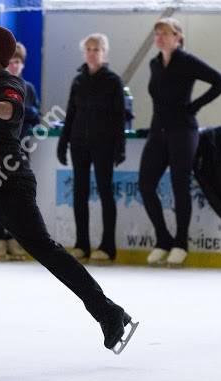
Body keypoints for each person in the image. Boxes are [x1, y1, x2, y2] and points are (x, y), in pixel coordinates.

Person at [0, 26, 137, 358]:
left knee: (47, 251)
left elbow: (11, 109)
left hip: (9, 183)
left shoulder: (7, 85)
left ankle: (109, 313)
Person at [139, 18, 221, 266]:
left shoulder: (186, 61)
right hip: (159, 131)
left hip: (183, 131)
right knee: (146, 184)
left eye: (165, 33)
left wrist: (194, 107)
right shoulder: (154, 64)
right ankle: (163, 238)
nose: (159, 37)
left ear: (178, 37)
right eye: (156, 33)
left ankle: (181, 242)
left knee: (180, 186)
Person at [57, 33, 125, 262]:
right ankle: (81, 243)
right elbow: (71, 113)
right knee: (79, 193)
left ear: (104, 53)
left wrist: (120, 146)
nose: (92, 53)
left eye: (96, 49)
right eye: (88, 49)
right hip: (79, 143)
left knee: (106, 192)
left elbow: (119, 117)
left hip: (103, 144)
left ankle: (108, 245)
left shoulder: (113, 81)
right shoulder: (78, 81)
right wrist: (63, 141)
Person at [0, 42, 41, 261]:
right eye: (12, 61)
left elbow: (35, 115)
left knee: (17, 195)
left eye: (19, 62)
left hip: (22, 146)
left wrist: (25, 112)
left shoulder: (27, 88)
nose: (15, 65)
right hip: (1, 147)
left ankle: (13, 239)